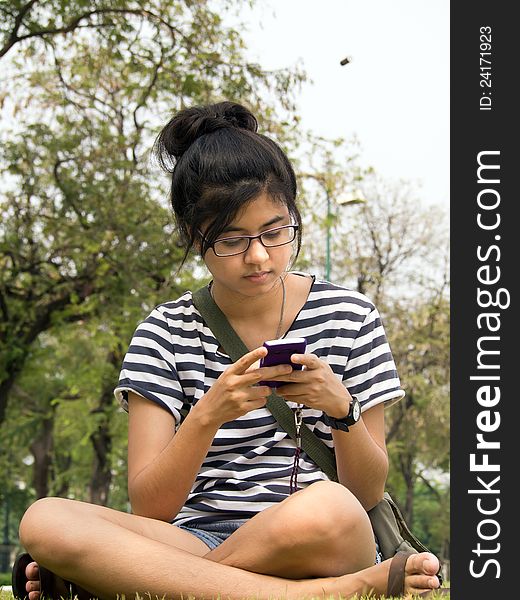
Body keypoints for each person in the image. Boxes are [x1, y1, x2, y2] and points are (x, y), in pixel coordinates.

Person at [13, 101, 444, 599]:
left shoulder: (350, 316)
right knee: (45, 520)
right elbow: (151, 508)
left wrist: (340, 408)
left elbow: (366, 494)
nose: (259, 256)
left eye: (275, 231)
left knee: (333, 507)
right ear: (195, 238)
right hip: (192, 538)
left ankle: (146, 582)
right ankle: (310, 595)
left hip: (316, 541)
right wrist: (207, 415)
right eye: (232, 240)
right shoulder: (163, 332)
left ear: (293, 217)